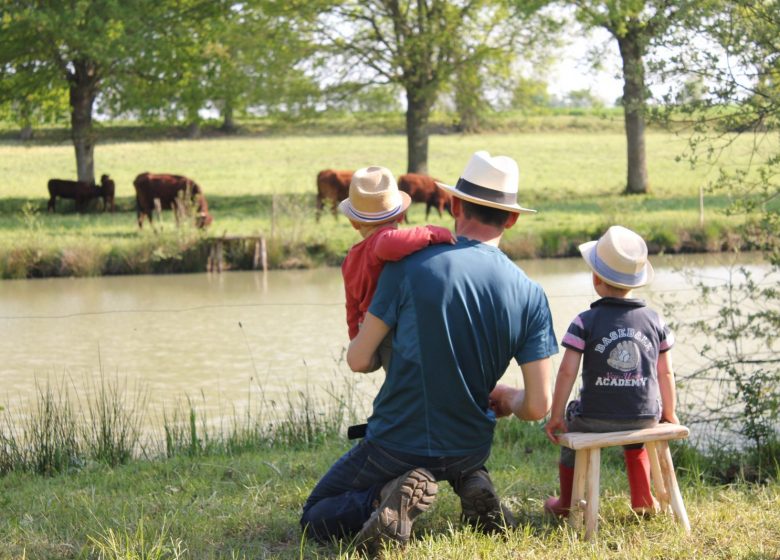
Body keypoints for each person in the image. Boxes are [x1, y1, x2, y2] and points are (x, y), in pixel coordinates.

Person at [300, 151, 558, 553]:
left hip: (397, 444)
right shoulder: (531, 294)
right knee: (461, 456)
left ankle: (385, 494)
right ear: (512, 218)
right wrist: (508, 396)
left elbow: (360, 359)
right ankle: (472, 479)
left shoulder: (404, 268)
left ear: (454, 205)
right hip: (469, 444)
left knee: (315, 514)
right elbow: (539, 405)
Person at [543, 225, 679, 517]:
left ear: (596, 277)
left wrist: (556, 416)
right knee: (635, 417)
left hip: (593, 419)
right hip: (644, 418)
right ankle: (643, 499)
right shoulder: (655, 321)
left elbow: (567, 372)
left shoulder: (584, 321)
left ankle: (566, 503)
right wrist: (670, 412)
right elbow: (665, 373)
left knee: (572, 426)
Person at [338, 165, 454, 369]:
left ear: (354, 223)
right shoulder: (381, 243)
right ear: (400, 216)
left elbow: (352, 306)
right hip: (390, 328)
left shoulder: (350, 259)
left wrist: (356, 340)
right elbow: (389, 243)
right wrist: (433, 233)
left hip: (369, 333)